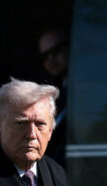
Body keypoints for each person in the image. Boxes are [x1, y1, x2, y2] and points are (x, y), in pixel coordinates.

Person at [37, 27, 69, 166]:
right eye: (45, 56)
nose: (51, 59)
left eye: (56, 51)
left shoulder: (84, 88)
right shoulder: (53, 94)